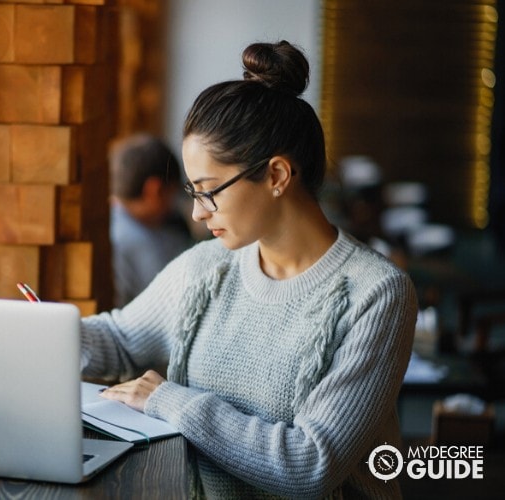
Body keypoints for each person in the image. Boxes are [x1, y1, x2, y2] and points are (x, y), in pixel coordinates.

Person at [80, 41, 417, 498]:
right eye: (191, 190)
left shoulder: (377, 294)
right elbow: (120, 339)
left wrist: (169, 400)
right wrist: (34, 332)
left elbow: (309, 464)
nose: (198, 213)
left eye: (209, 190)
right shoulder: (209, 265)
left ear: (277, 175)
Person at [109, 133, 194, 307]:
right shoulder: (135, 241)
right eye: (173, 194)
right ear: (153, 191)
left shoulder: (114, 221)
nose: (173, 205)